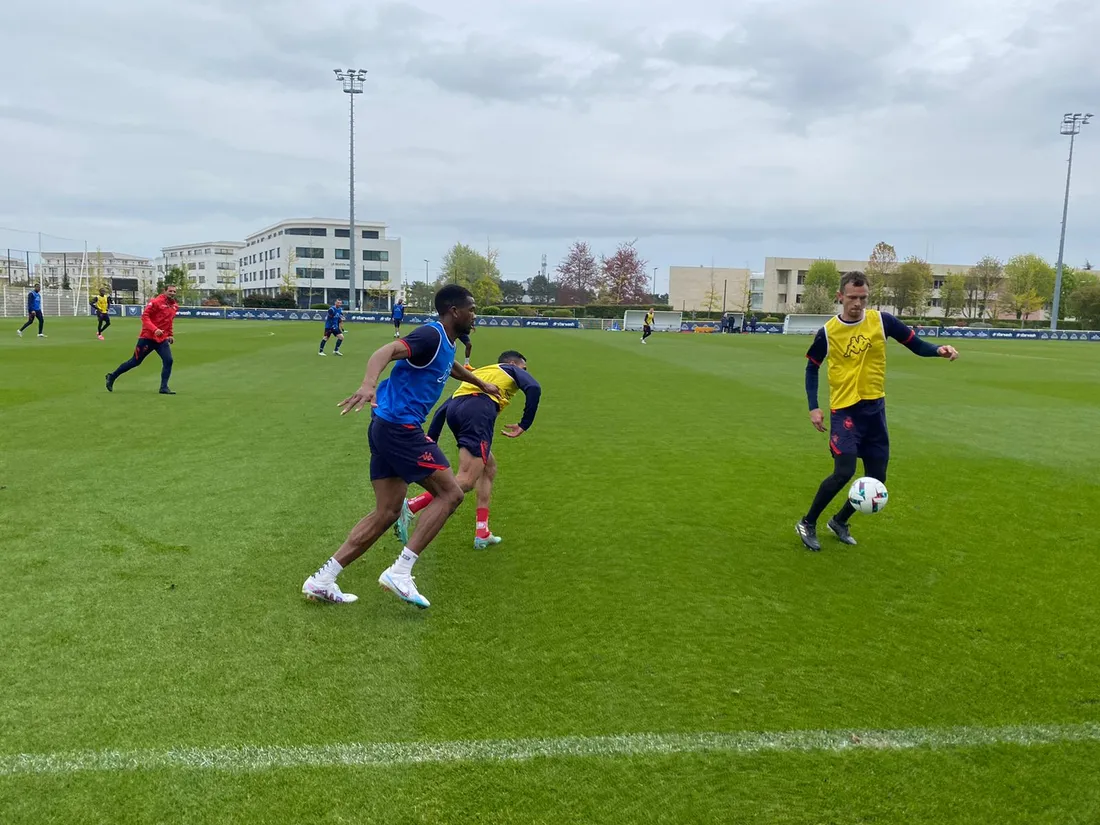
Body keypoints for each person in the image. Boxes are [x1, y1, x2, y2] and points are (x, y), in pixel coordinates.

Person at [302, 284, 501, 609]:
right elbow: (386, 352)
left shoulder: (447, 343)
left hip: (384, 426)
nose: (474, 315)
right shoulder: (431, 335)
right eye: (472, 309)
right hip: (400, 428)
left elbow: (448, 364)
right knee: (451, 493)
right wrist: (368, 385)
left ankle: (322, 579)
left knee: (388, 511)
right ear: (454, 311)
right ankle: (401, 571)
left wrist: (480, 382)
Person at [795, 271, 958, 551]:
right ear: (840, 297)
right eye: (852, 297)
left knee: (877, 479)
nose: (858, 303)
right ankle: (807, 522)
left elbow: (915, 345)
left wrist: (937, 350)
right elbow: (812, 367)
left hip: (875, 410)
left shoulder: (882, 322)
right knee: (844, 472)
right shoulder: (828, 332)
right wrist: (814, 407)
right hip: (845, 411)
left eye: (863, 298)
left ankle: (840, 520)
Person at [394, 349, 541, 549]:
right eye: (524, 368)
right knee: (467, 479)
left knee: (488, 468)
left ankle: (482, 532)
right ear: (514, 364)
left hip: (457, 411)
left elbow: (442, 410)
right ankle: (411, 505)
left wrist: (432, 440)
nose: (526, 372)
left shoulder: (481, 374)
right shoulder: (510, 369)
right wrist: (525, 424)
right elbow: (534, 387)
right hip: (478, 412)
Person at [105, 285, 180, 395]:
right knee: (135, 361)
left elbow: (168, 322)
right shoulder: (156, 302)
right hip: (148, 337)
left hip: (161, 339)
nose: (172, 293)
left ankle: (164, 387)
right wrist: (154, 329)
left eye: (174, 291)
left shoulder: (174, 306)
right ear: (164, 291)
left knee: (168, 360)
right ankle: (112, 376)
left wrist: (170, 334)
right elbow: (145, 316)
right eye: (170, 291)